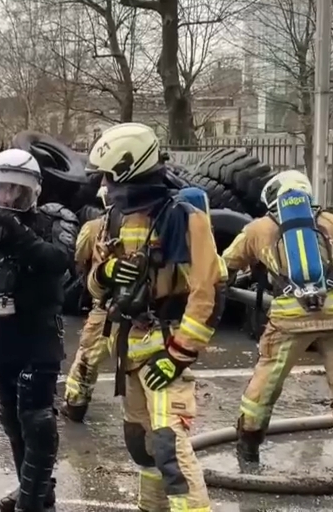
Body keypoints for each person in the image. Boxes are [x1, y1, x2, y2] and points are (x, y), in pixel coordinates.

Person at [85, 123, 224, 512]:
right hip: (128, 352)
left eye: (111, 174)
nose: (106, 183)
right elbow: (95, 289)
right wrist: (107, 274)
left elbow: (208, 292)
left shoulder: (183, 218)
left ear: (129, 169)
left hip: (167, 349)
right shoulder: (114, 218)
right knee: (142, 447)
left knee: (169, 448)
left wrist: (178, 354)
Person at [221, 169, 333, 476]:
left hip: (289, 318)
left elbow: (224, 268)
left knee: (266, 383)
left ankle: (248, 446)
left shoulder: (257, 229)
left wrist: (224, 289)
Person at [0, 148, 74, 512]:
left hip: (38, 334)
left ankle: (34, 503)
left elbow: (59, 262)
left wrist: (18, 232)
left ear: (29, 192)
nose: (5, 196)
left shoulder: (53, 220)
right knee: (12, 418)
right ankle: (32, 488)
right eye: (0, 188)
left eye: (14, 189)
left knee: (37, 419)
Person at [63, 185, 110, 423]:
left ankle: (75, 406)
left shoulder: (93, 228)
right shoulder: (154, 225)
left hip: (104, 308)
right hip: (145, 312)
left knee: (87, 358)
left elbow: (79, 258)